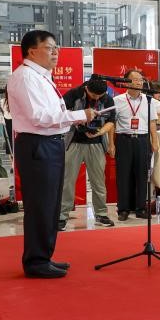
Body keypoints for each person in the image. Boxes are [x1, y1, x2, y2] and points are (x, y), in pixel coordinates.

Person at [6, 30, 94, 279]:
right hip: (38, 144)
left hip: (51, 143)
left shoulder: (42, 77)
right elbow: (39, 117)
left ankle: (44, 256)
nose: (56, 52)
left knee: (50, 203)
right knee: (40, 205)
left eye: (57, 48)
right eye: (49, 47)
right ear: (32, 51)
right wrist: (79, 115)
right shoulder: (25, 77)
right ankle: (35, 261)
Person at [59, 77, 115, 229]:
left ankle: (101, 214)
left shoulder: (107, 98)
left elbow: (111, 121)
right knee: (68, 181)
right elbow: (61, 115)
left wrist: (100, 132)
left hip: (96, 144)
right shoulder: (73, 94)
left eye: (100, 96)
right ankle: (62, 215)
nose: (97, 98)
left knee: (98, 181)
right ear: (87, 88)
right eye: (94, 95)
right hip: (74, 142)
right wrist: (79, 119)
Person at [112, 69, 157, 221]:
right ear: (126, 82)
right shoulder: (117, 100)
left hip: (143, 140)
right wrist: (111, 144)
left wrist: (154, 141)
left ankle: (140, 208)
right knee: (123, 175)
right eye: (135, 79)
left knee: (142, 175)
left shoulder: (149, 100)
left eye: (141, 79)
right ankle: (123, 209)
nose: (139, 82)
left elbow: (152, 122)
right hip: (123, 139)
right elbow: (112, 124)